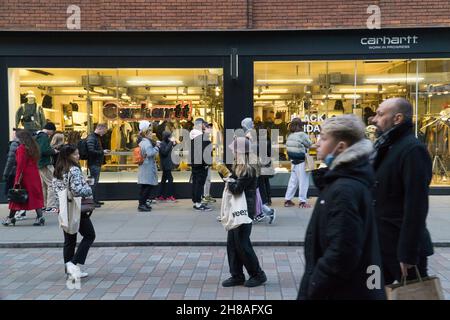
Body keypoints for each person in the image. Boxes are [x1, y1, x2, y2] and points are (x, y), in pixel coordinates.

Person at [298, 115, 385, 300]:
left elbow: (342, 253)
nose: (317, 144)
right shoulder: (344, 181)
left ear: (341, 147)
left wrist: (313, 285)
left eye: (323, 138)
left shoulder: (344, 189)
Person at [371, 97, 433, 284]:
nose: (374, 119)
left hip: (400, 249)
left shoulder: (412, 150)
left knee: (411, 294)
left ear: (397, 119)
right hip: (380, 245)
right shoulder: (386, 146)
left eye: (380, 114)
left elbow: (416, 206)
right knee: (372, 291)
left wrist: (407, 254)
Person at [221, 137, 267, 288]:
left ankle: (258, 274)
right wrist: (228, 176)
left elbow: (236, 189)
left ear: (240, 152)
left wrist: (225, 175)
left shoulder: (248, 169)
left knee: (242, 244)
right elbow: (234, 181)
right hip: (238, 210)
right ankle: (237, 275)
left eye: (234, 150)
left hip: (244, 210)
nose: (232, 152)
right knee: (233, 244)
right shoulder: (240, 166)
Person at [52, 144, 95, 281]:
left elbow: (56, 189)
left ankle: (70, 271)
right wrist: (88, 188)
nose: (78, 156)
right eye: (75, 154)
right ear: (68, 156)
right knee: (89, 235)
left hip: (63, 207)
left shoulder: (58, 169)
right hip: (75, 207)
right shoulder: (74, 169)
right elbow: (77, 191)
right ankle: (73, 263)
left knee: (69, 240)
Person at [2, 130, 45, 226]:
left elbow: (20, 165)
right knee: (35, 196)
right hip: (34, 175)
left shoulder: (21, 148)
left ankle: (10, 218)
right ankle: (40, 217)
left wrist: (17, 180)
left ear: (21, 138)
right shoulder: (34, 147)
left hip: (24, 176)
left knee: (15, 196)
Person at [284, 118, 313, 208]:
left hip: (293, 161)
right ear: (301, 125)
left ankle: (287, 200)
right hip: (301, 161)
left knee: (293, 182)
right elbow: (309, 144)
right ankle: (302, 202)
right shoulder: (302, 135)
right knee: (303, 182)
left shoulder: (289, 135)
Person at [2, 129, 26, 221]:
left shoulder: (14, 144)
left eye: (14, 133)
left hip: (13, 172)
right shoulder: (26, 144)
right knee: (21, 191)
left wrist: (5, 173)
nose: (12, 135)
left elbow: (10, 160)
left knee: (13, 193)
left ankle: (16, 212)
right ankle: (21, 211)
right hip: (22, 172)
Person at [190, 118, 212, 212]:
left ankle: (196, 201)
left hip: (195, 162)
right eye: (204, 123)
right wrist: (207, 163)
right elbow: (205, 151)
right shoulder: (201, 137)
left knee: (196, 182)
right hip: (201, 164)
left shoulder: (193, 135)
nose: (205, 125)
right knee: (199, 183)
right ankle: (198, 203)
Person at [137, 121, 160, 212]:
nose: (152, 134)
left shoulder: (143, 141)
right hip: (147, 167)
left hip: (144, 166)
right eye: (150, 132)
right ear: (146, 133)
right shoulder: (146, 142)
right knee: (147, 187)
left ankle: (142, 203)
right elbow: (150, 153)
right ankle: (142, 204)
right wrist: (157, 147)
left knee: (145, 186)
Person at [36, 122, 58, 214]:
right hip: (45, 163)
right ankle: (50, 206)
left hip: (39, 163)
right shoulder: (44, 136)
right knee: (52, 183)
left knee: (44, 185)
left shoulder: (38, 135)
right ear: (50, 130)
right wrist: (54, 151)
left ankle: (44, 205)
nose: (52, 134)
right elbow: (44, 150)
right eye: (52, 131)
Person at [86, 123, 109, 208]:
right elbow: (91, 151)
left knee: (95, 182)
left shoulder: (95, 137)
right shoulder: (92, 137)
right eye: (104, 131)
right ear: (100, 128)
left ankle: (94, 200)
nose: (104, 133)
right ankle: (92, 201)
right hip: (94, 163)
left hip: (95, 163)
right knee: (93, 183)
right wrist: (103, 152)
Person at [157, 130, 177, 202]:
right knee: (170, 179)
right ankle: (170, 195)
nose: (170, 138)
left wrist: (174, 143)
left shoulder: (168, 143)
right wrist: (171, 142)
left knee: (163, 180)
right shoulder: (161, 144)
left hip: (167, 165)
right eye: (169, 136)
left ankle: (160, 195)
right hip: (165, 165)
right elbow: (164, 152)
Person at [202, 123, 216, 204]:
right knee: (206, 179)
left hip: (207, 162)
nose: (210, 129)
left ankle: (206, 195)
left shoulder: (207, 138)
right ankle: (205, 196)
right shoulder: (204, 138)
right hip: (205, 163)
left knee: (208, 179)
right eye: (209, 128)